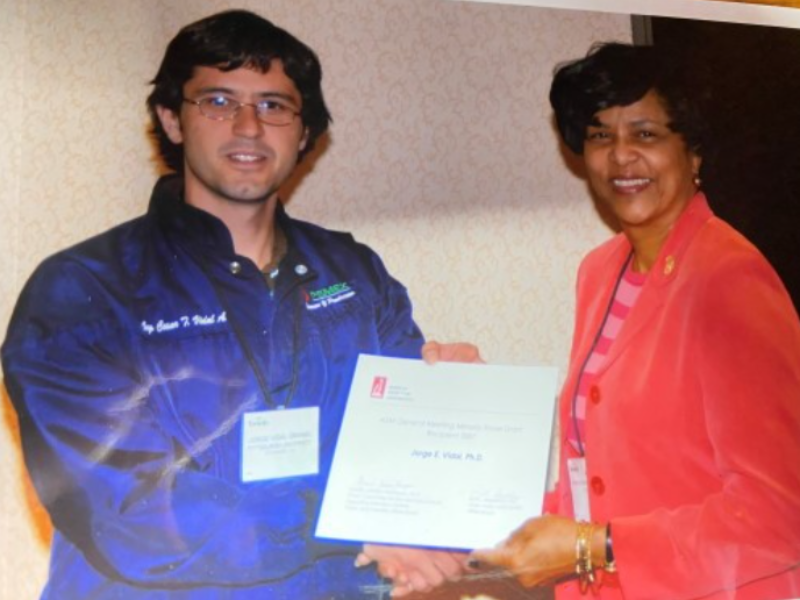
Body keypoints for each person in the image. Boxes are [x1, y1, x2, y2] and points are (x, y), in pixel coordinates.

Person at [1, 10, 469, 599]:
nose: (248, 126)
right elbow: (129, 510)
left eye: (274, 106)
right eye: (218, 102)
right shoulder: (84, 291)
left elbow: (402, 448)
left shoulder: (353, 273)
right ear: (172, 120)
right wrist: (340, 522)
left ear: (304, 133)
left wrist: (454, 406)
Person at [471, 42, 800, 599]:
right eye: (601, 135)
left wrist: (588, 544)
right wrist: (481, 520)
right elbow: (597, 471)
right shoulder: (599, 273)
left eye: (645, 134)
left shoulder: (730, 280)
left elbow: (778, 514)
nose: (621, 156)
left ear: (692, 152)